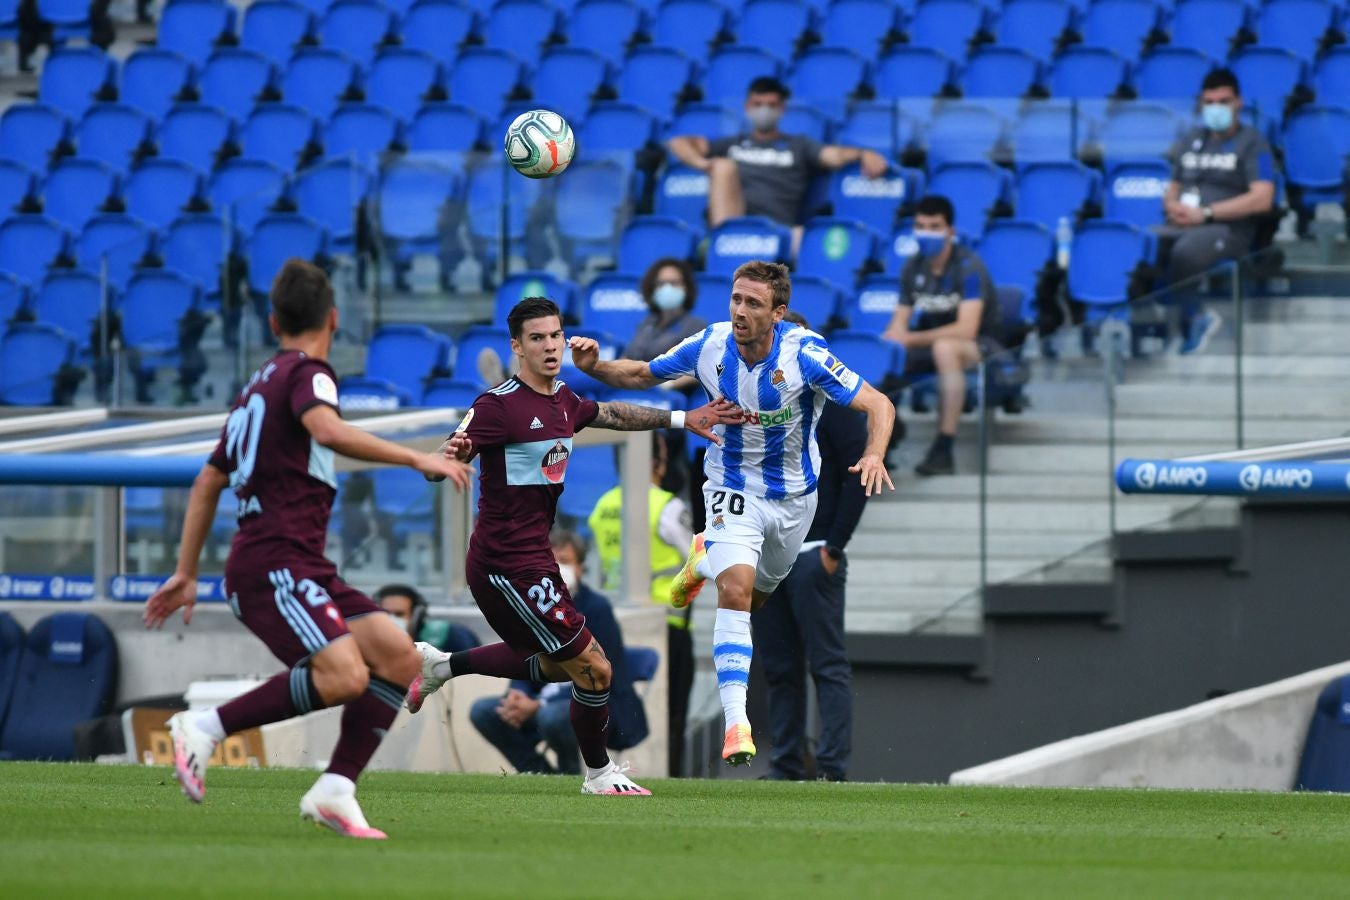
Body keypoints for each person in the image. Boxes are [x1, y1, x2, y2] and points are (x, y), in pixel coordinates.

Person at [143, 259, 470, 839]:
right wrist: (417, 456)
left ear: (273, 321)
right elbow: (328, 430)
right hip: (275, 560)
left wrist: (186, 571)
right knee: (344, 675)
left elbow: (206, 482)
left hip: (298, 562)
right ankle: (205, 728)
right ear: (334, 318)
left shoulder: (253, 390)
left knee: (397, 658)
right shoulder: (309, 372)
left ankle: (335, 788)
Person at [405, 296, 739, 796]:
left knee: (557, 664)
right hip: (504, 564)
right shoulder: (496, 406)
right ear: (517, 347)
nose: (550, 346)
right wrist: (449, 455)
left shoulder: (562, 399)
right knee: (594, 666)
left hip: (534, 557)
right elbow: (452, 451)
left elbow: (612, 413)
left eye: (555, 336)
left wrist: (681, 420)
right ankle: (598, 774)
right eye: (537, 338)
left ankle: (442, 665)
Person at [570, 260, 896, 768]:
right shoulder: (710, 344)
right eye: (736, 299)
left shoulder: (806, 355)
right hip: (730, 485)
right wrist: (593, 369)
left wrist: (873, 454)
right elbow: (640, 373)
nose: (740, 311)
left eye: (754, 304)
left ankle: (702, 557)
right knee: (737, 591)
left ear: (778, 313)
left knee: (757, 597)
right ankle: (736, 724)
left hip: (793, 500)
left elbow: (879, 404)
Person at [755, 310, 870, 782]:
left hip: (813, 550)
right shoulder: (757, 396)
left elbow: (856, 477)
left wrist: (834, 547)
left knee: (826, 665)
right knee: (779, 667)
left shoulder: (835, 399)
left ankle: (831, 768)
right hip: (767, 555)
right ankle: (786, 765)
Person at [469, 530, 647, 775]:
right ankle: (538, 773)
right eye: (550, 560)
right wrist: (517, 694)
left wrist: (540, 703)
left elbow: (595, 670)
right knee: (483, 711)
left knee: (552, 715)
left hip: (599, 705)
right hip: (540, 704)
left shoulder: (597, 608)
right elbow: (523, 654)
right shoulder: (531, 603)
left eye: (564, 561)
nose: (556, 567)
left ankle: (570, 772)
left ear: (580, 568)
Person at [588, 432, 695, 777]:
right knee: (673, 712)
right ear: (656, 462)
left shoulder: (602, 504)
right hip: (668, 622)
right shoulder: (667, 506)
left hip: (615, 622)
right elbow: (697, 562)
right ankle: (672, 776)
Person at [668, 76, 890, 234]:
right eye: (758, 104)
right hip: (735, 223)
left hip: (778, 231)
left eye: (771, 105)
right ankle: (728, 239)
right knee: (723, 167)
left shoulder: (798, 145)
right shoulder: (733, 144)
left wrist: (863, 153)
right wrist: (704, 165)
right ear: (747, 107)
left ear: (782, 109)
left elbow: (833, 155)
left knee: (805, 237)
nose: (764, 110)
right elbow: (679, 142)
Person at [1158, 68, 1277, 355]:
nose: (1216, 109)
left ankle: (1195, 317)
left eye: (1223, 101)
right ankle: (1160, 326)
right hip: (1183, 222)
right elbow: (1172, 186)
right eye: (1209, 102)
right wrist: (1172, 205)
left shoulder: (1255, 144)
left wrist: (1207, 213)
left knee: (1185, 251)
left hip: (1228, 229)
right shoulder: (1190, 140)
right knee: (1143, 246)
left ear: (1238, 103)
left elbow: (1263, 198)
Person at [881, 195, 1000, 478]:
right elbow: (898, 325)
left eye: (934, 226)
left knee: (946, 348)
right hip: (932, 344)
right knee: (890, 352)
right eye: (920, 226)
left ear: (950, 231)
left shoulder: (969, 268)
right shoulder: (912, 267)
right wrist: (897, 338)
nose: (927, 233)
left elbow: (966, 330)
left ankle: (943, 448)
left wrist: (910, 338)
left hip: (982, 347)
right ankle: (885, 440)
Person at [624, 258, 707, 366]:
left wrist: (667, 384)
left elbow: (701, 367)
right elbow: (627, 357)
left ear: (687, 288)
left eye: (674, 283)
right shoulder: (647, 324)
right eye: (660, 284)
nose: (667, 288)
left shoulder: (696, 327)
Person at [375, 583, 480, 653]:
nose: (391, 619)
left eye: (399, 614)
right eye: (386, 613)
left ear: (416, 615)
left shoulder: (450, 635)